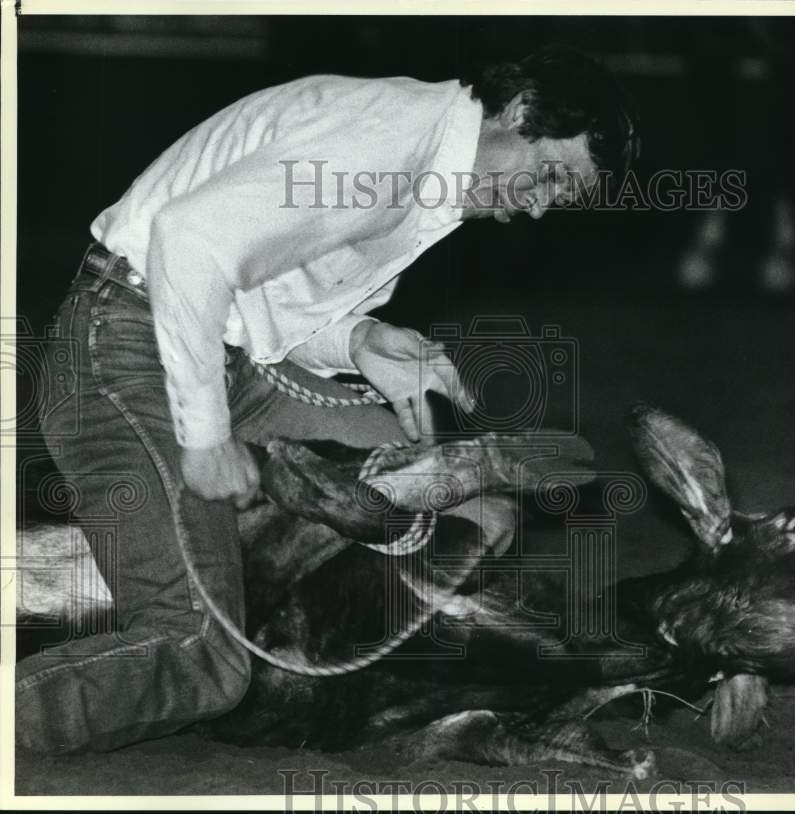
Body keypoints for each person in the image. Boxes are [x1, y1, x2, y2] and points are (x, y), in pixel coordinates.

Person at [17, 44, 638, 753]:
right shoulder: (387, 141)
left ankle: (339, 655)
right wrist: (203, 433)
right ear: (520, 111)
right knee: (202, 659)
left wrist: (361, 342)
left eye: (559, 200)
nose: (536, 208)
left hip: (226, 356)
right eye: (550, 176)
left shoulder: (422, 158)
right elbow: (186, 242)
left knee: (468, 507)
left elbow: (261, 289)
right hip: (123, 349)